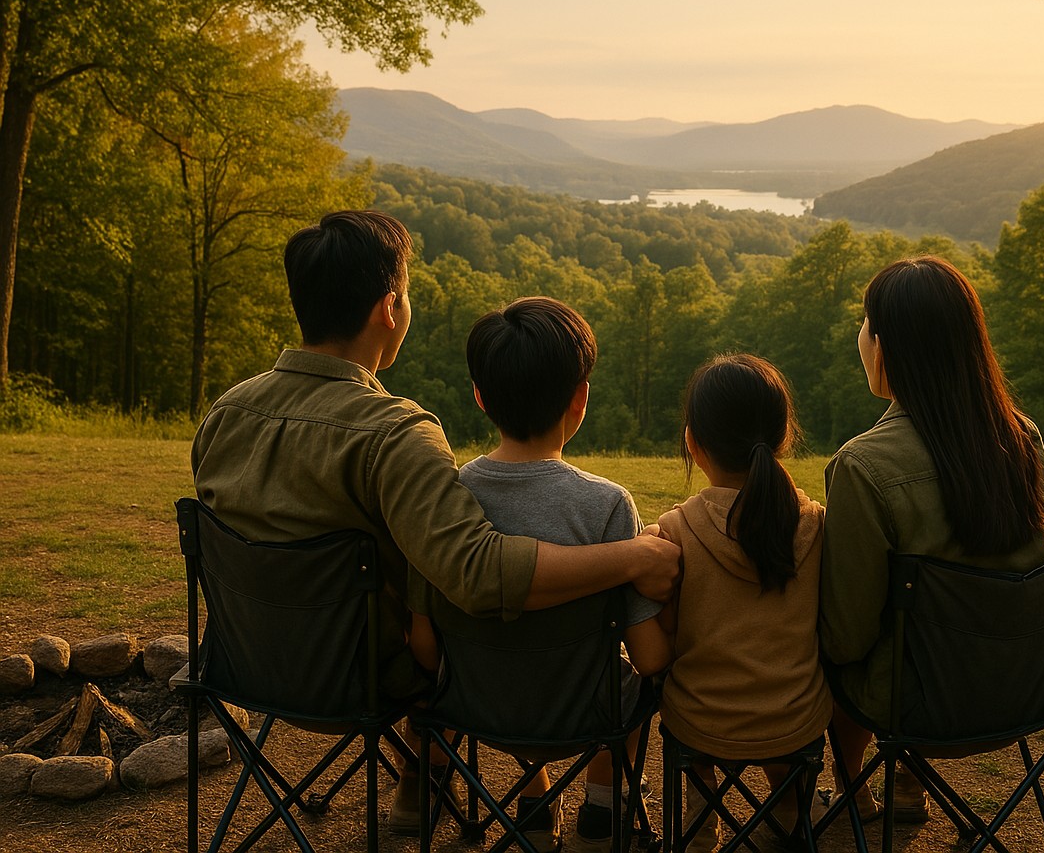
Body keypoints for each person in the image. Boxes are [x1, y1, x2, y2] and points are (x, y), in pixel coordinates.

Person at [190, 210, 680, 833]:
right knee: (435, 633)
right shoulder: (395, 434)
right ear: (388, 310)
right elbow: (476, 574)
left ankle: (421, 787)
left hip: (245, 667)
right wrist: (634, 556)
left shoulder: (224, 414)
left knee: (422, 617)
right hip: (360, 682)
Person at [407, 296, 671, 852]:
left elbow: (426, 646)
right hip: (583, 711)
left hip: (474, 704)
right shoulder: (607, 507)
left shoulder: (449, 498)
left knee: (518, 661)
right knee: (622, 679)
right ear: (581, 399)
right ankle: (603, 805)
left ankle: (533, 795)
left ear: (480, 397)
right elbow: (648, 657)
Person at [818, 255, 1044, 822]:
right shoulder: (1023, 437)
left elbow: (847, 638)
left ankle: (854, 787)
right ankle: (906, 781)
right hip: (1025, 688)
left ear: (887, 346)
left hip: (917, 706)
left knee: (830, 640)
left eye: (865, 323)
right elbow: (1036, 573)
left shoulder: (863, 465)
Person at [656, 354, 831, 852]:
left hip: (701, 724)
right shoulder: (816, 523)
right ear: (782, 437)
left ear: (693, 441)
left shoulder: (676, 529)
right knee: (777, 691)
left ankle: (699, 811)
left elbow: (665, 642)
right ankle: (789, 802)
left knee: (688, 689)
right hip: (796, 723)